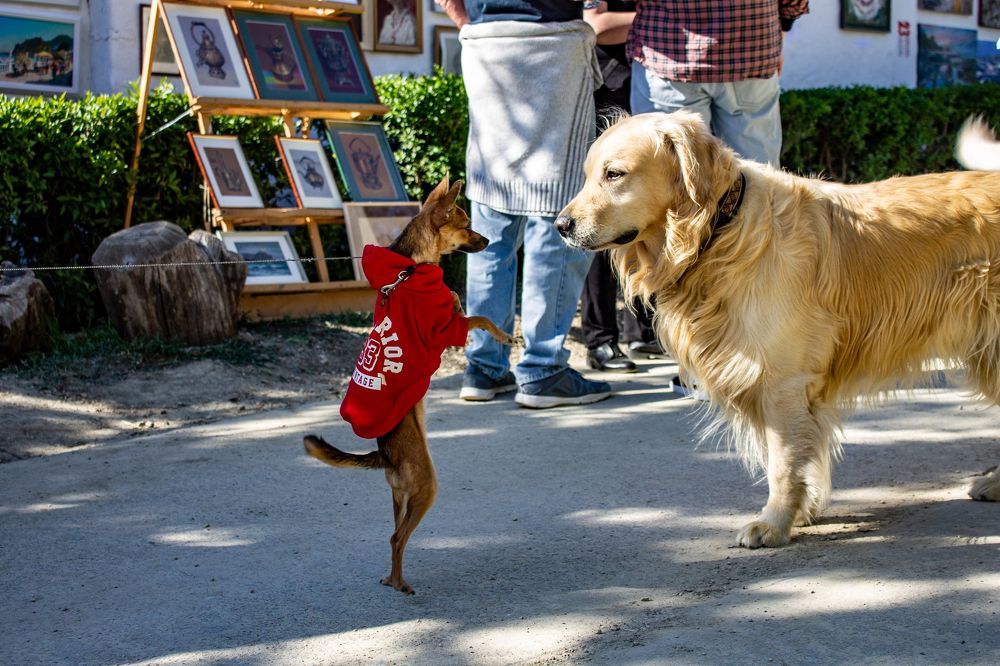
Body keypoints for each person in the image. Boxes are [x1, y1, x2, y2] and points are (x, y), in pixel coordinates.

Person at [628, 0, 808, 396]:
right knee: (758, 205)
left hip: (668, 51)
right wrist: (782, 27)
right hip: (750, 46)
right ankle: (758, 347)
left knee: (671, 211)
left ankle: (694, 363)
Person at [438, 0, 612, 408]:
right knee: (557, 210)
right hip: (553, 41)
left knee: (492, 217)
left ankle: (484, 366)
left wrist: (468, 23)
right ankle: (543, 369)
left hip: (489, 45)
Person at [580, 0, 663, 373]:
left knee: (645, 217)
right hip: (609, 95)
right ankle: (600, 339)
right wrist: (662, 21)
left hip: (647, 88)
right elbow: (595, 24)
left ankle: (642, 329)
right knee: (601, 220)